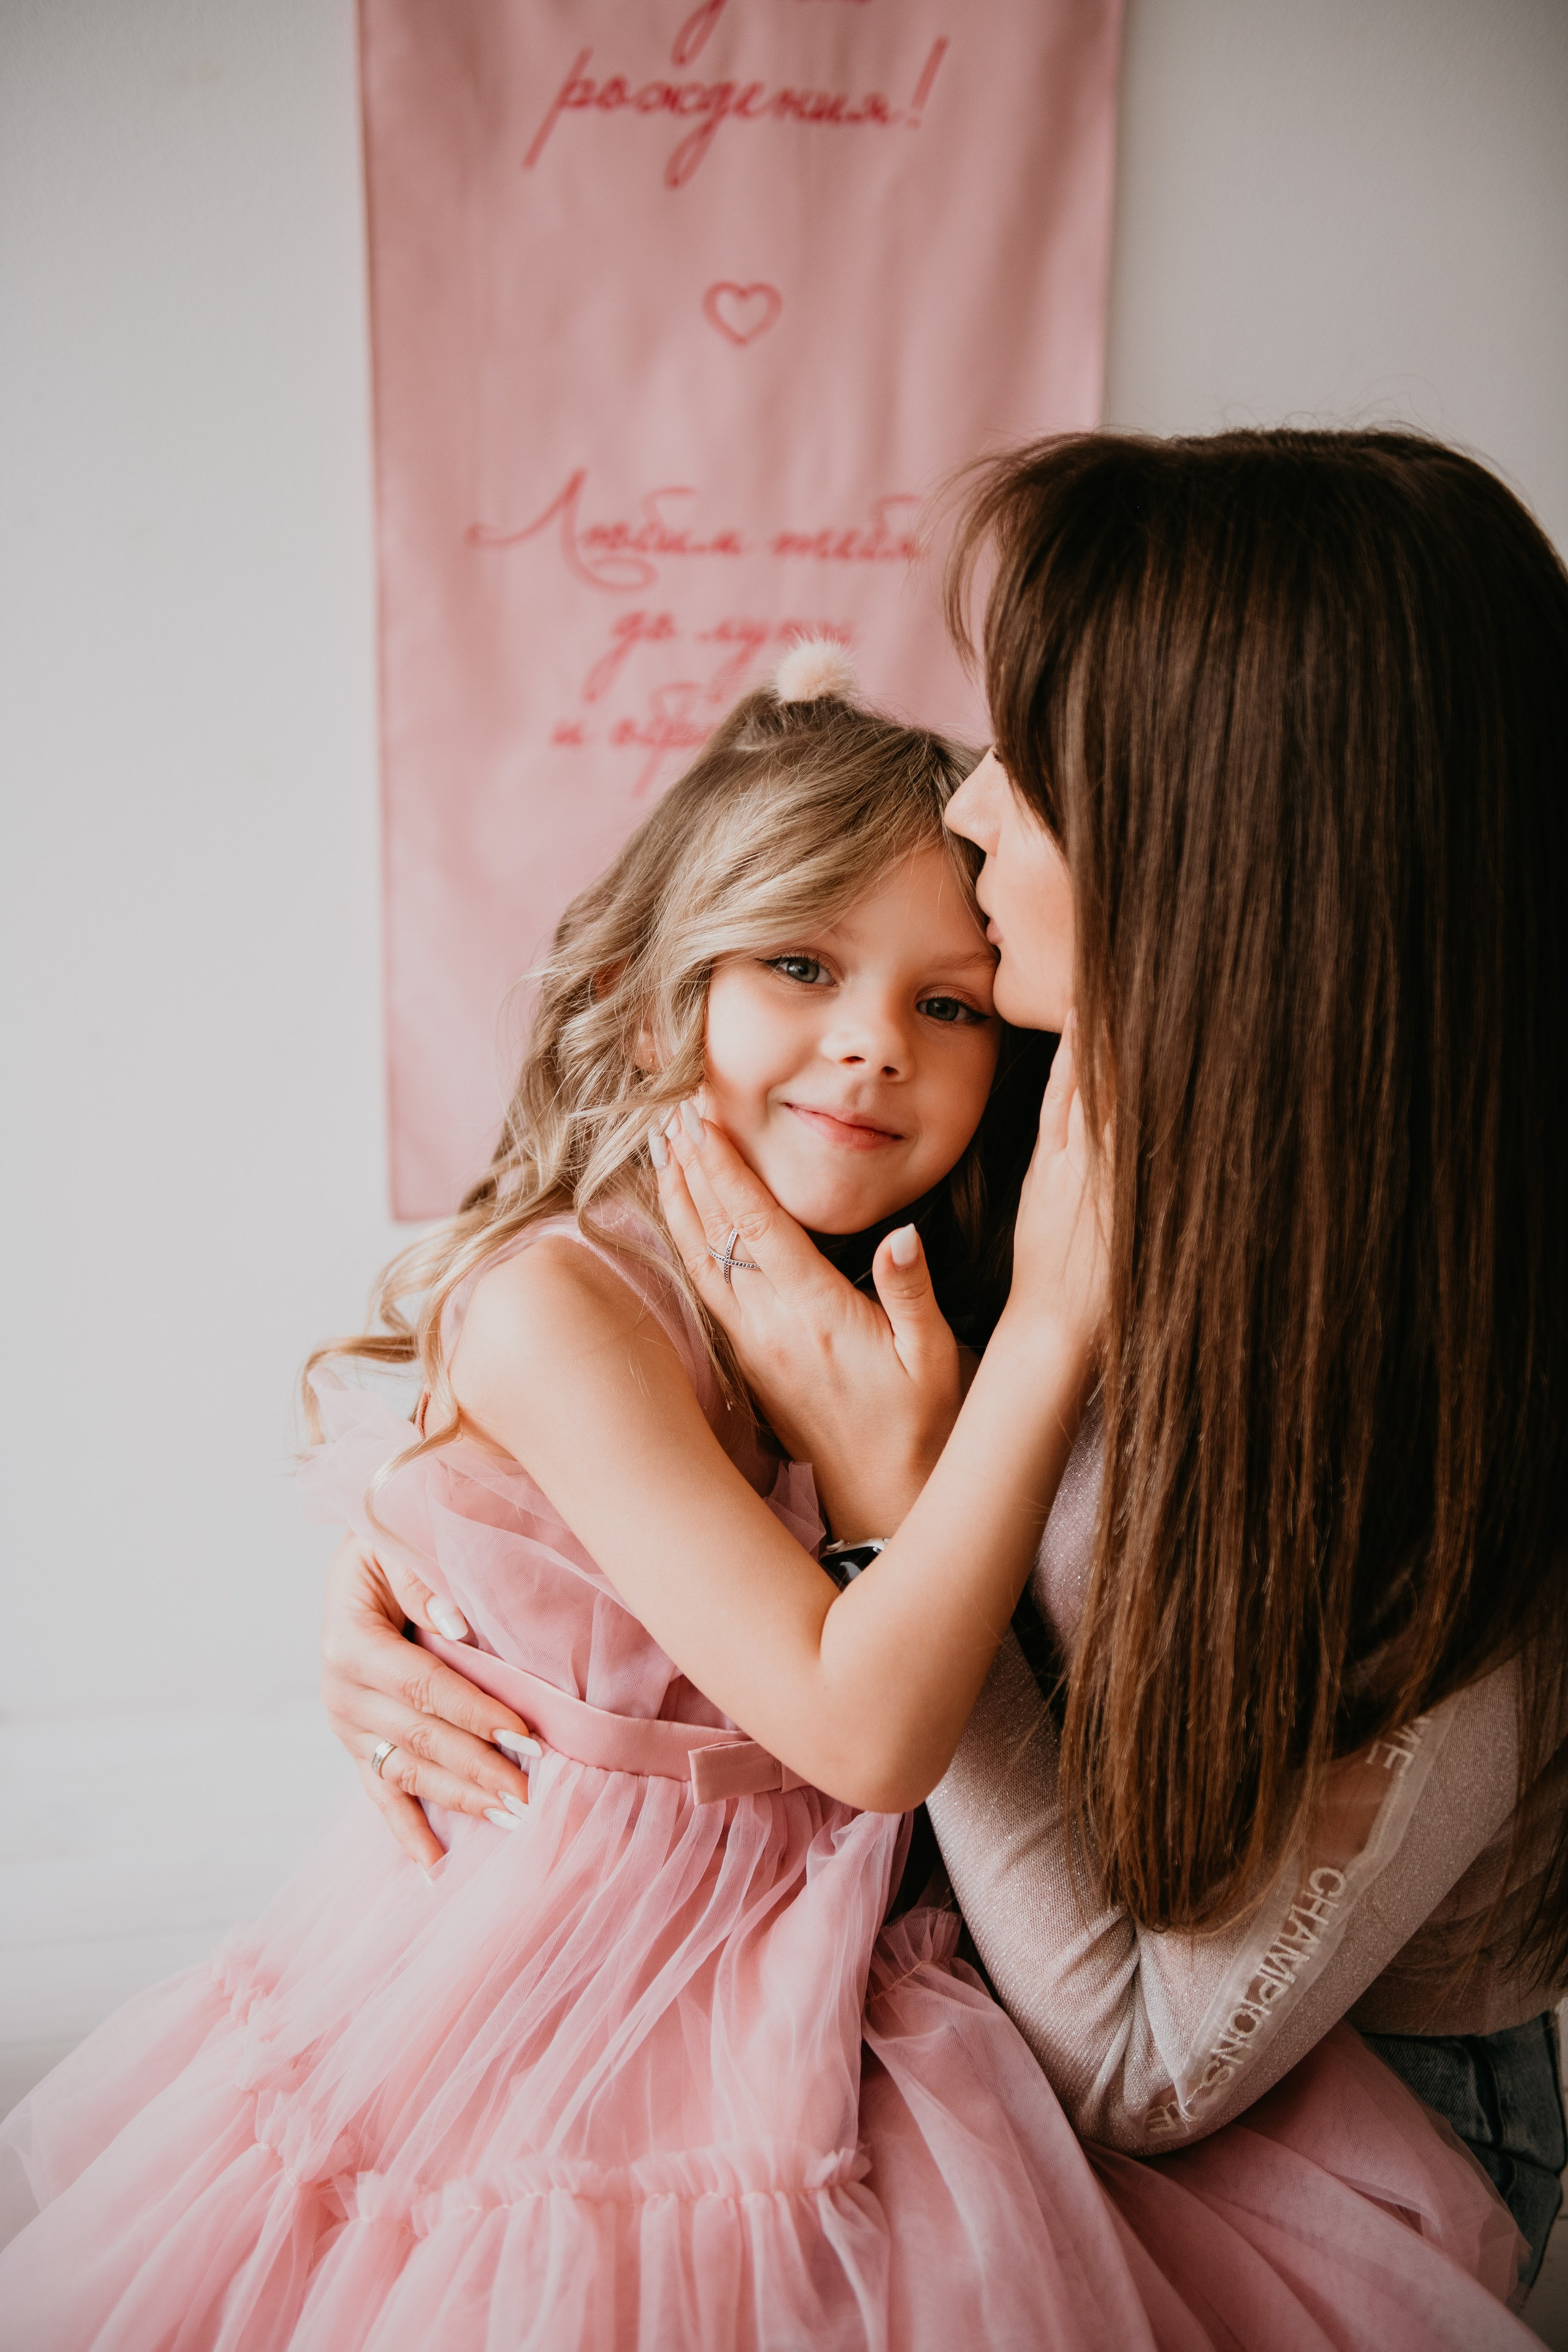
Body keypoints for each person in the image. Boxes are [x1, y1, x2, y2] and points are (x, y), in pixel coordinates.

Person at [0, 638, 1534, 2348]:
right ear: (659, 996)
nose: (873, 1046)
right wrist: (1043, 1336)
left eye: (949, 1003)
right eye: (800, 962)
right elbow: (863, 1730)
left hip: (866, 1952)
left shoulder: (949, 1251)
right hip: (588, 1993)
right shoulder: (564, 1300)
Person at [322, 434, 1568, 2301]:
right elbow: (632, 1429)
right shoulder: (1050, 1115)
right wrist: (455, 1610)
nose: (971, 808)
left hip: (1294, 2118)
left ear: (1214, 836)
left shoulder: (1445, 1370)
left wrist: (906, 1504)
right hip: (930, 1988)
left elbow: (1144, 2058)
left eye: (1032, 763)